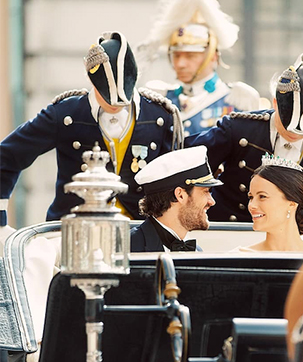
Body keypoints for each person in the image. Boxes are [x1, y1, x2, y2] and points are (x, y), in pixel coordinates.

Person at [0, 31, 183, 245]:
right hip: (72, 235)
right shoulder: (66, 114)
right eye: (108, 97)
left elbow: (177, 180)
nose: (115, 104)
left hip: (140, 236)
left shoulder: (160, 116)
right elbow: (8, 155)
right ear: (91, 80)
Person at [185, 52, 303, 226]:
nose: (294, 134)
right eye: (287, 124)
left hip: (298, 245)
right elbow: (189, 169)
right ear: (275, 102)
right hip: (232, 232)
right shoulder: (238, 129)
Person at [137, 0, 261, 137]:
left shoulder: (236, 100)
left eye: (190, 56)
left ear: (213, 56)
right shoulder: (159, 98)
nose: (180, 64)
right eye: (177, 55)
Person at [130, 145, 222, 252]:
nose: (212, 201)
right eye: (206, 191)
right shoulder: (128, 248)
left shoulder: (197, 251)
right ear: (180, 195)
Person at [236, 154, 303, 252]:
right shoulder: (240, 256)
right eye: (251, 197)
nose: (251, 205)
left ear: (292, 203)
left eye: (262, 196)